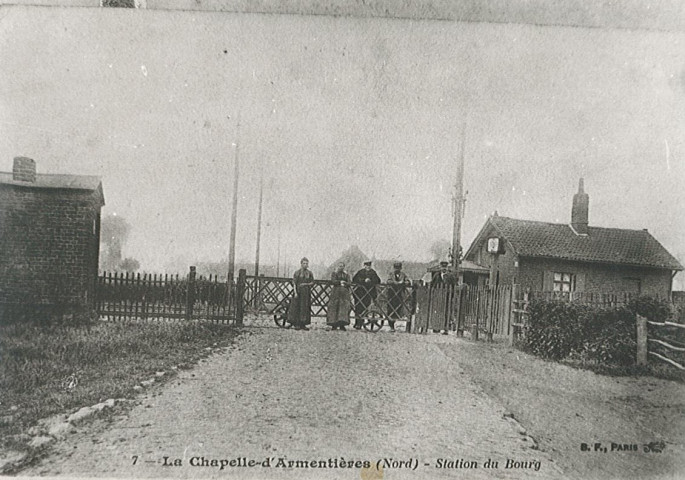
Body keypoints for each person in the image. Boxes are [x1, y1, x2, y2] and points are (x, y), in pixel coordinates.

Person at [352, 260, 381, 330]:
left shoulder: (373, 272)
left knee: (365, 308)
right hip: (359, 293)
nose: (368, 267)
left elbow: (378, 280)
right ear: (364, 266)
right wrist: (363, 280)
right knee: (358, 308)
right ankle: (357, 323)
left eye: (369, 266)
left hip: (368, 294)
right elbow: (354, 279)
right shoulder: (360, 272)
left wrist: (370, 280)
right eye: (366, 265)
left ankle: (361, 323)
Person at [288, 257, 314, 330]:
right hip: (298, 292)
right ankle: (296, 324)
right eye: (304, 263)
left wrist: (306, 284)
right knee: (297, 307)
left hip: (306, 293)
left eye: (306, 263)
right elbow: (294, 283)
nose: (305, 265)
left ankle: (303, 324)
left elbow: (312, 282)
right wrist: (295, 292)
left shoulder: (309, 273)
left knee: (305, 308)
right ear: (301, 264)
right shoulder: (297, 272)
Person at [431, 261, 457, 334]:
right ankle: (436, 327)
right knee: (437, 312)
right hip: (438, 297)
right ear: (440, 267)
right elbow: (432, 285)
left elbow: (455, 285)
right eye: (442, 267)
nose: (443, 269)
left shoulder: (451, 276)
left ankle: (446, 329)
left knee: (446, 312)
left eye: (445, 267)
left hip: (447, 298)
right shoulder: (436, 275)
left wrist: (452, 295)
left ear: (447, 267)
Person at [327, 262, 352, 330]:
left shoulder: (346, 274)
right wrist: (340, 282)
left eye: (342, 266)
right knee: (334, 307)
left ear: (344, 267)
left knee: (343, 309)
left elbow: (349, 282)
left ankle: (342, 325)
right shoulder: (334, 273)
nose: (341, 267)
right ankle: (334, 325)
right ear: (338, 266)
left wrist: (345, 283)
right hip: (335, 293)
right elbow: (333, 281)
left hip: (344, 294)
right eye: (340, 266)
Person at [386, 262, 411, 332]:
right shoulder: (391, 274)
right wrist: (395, 283)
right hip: (391, 295)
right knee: (390, 309)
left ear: (401, 268)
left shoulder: (403, 275)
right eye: (396, 268)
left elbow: (408, 281)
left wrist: (404, 283)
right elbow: (388, 281)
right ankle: (391, 326)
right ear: (394, 268)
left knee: (399, 309)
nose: (397, 269)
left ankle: (396, 323)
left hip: (400, 295)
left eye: (398, 268)